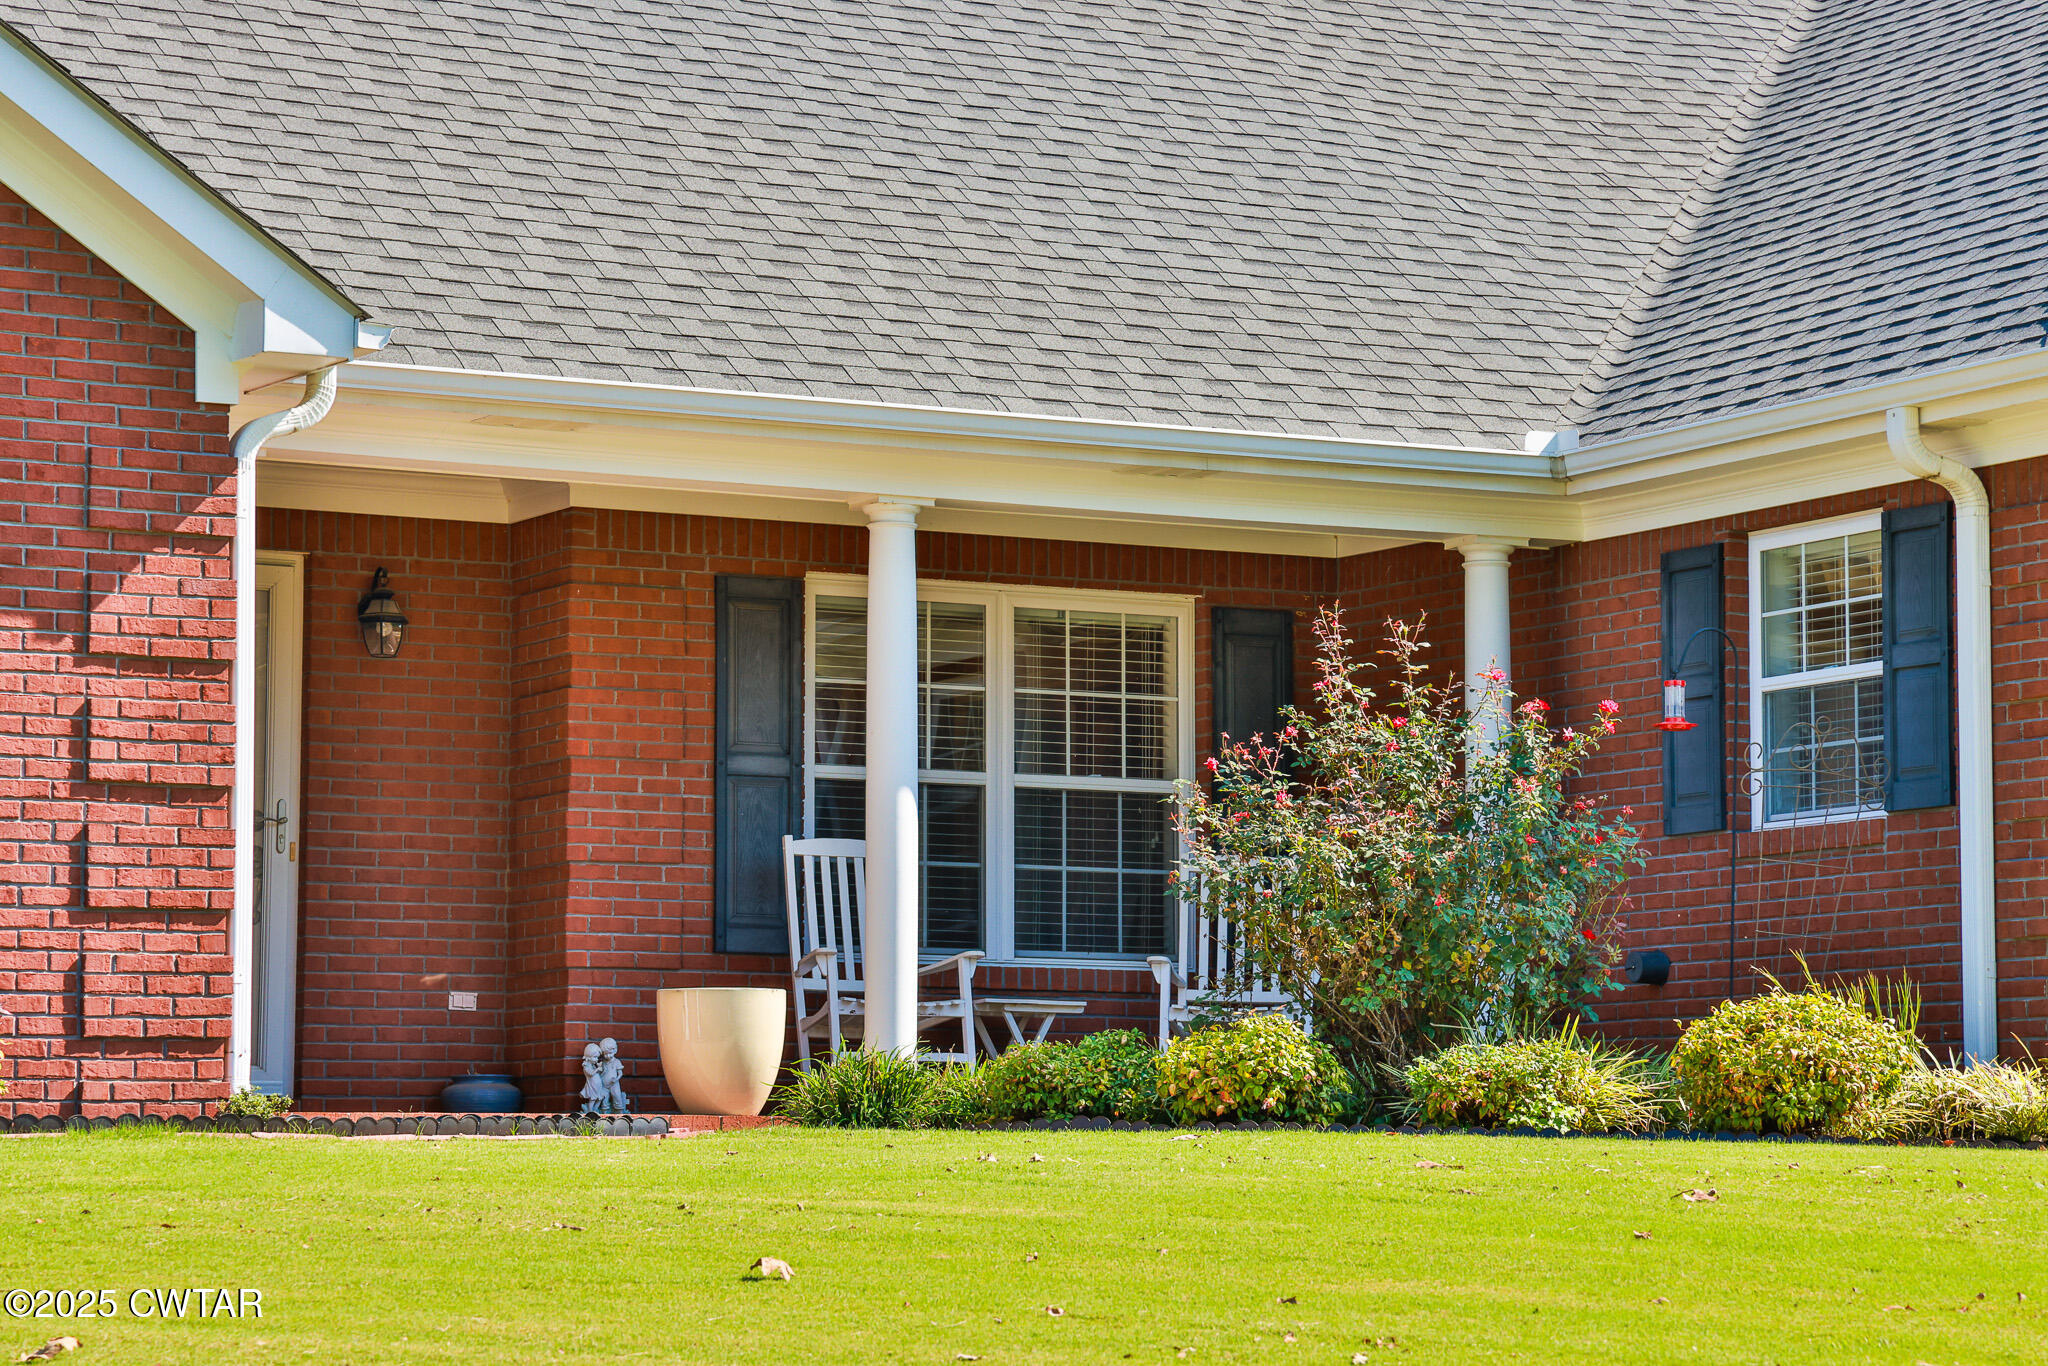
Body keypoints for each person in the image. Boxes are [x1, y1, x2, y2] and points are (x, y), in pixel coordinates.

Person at [598, 1036, 631, 1113]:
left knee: (617, 1097)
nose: (608, 1056)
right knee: (604, 1100)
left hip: (614, 1084)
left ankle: (619, 1114)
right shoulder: (603, 1062)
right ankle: (604, 1115)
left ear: (615, 1050)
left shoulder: (616, 1062)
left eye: (610, 1053)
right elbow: (600, 1072)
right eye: (605, 1054)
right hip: (604, 1085)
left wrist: (616, 1079)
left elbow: (620, 1073)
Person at [577, 1042, 607, 1115]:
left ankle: (595, 1110)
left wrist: (600, 1068)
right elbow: (590, 1074)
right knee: (592, 1099)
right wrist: (597, 1069)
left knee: (600, 1098)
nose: (596, 1059)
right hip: (592, 1085)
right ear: (588, 1056)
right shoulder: (586, 1066)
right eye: (595, 1057)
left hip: (598, 1085)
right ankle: (590, 1112)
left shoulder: (593, 1065)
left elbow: (598, 1073)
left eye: (597, 1057)